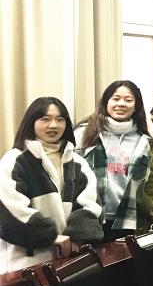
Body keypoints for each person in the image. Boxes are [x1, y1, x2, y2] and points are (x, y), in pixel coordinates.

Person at [1, 97, 103, 271]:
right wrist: (50, 236)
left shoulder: (77, 162)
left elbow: (91, 203)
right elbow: (9, 209)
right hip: (24, 262)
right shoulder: (14, 160)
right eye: (45, 119)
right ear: (31, 122)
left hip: (68, 259)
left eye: (60, 119)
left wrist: (76, 235)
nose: (53, 125)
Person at [75, 80, 153, 240]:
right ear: (106, 102)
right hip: (88, 217)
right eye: (116, 99)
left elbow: (150, 183)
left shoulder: (144, 141)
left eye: (128, 100)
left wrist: (152, 208)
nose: (121, 104)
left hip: (127, 221)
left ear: (136, 106)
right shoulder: (83, 133)